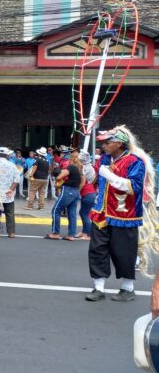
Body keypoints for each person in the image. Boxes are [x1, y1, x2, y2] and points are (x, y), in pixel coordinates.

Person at [83, 127, 158, 302]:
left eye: (107, 142)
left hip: (124, 215)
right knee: (97, 250)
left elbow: (134, 187)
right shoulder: (104, 159)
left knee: (123, 252)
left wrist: (109, 175)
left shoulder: (134, 161)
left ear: (119, 144)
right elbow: (93, 180)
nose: (103, 145)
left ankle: (127, 288)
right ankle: (98, 287)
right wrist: (86, 165)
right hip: (101, 212)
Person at [46, 149, 82, 240]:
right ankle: (71, 235)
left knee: (56, 210)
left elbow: (59, 177)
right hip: (76, 191)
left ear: (71, 158)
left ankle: (55, 233)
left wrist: (58, 172)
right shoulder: (79, 168)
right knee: (72, 213)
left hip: (68, 190)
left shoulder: (71, 167)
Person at [0, 147, 18, 238]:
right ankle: (11, 232)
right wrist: (11, 189)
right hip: (8, 194)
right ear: (7, 155)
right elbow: (17, 179)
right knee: (10, 213)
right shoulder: (12, 165)